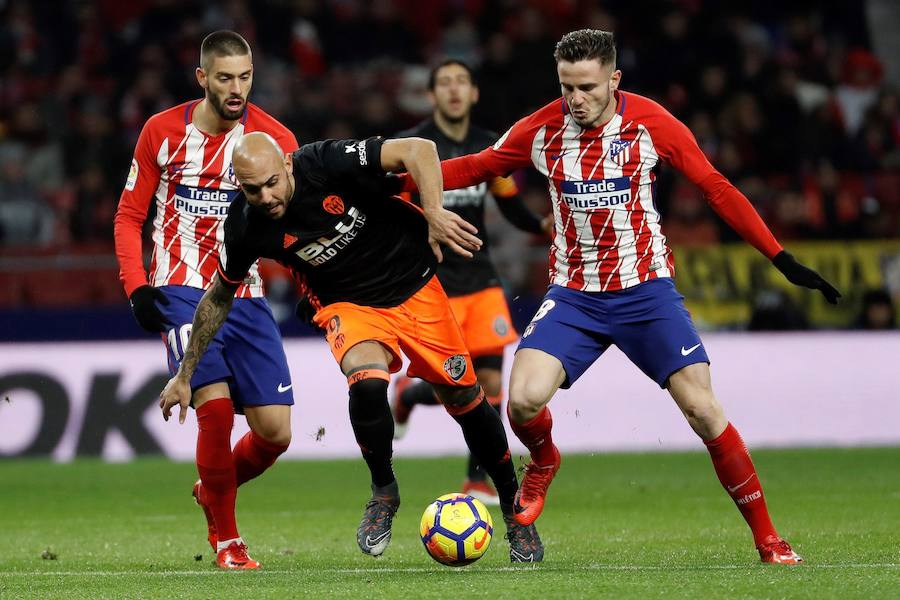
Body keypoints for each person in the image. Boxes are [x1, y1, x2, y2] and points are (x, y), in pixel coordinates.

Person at [408, 29, 842, 564]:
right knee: (521, 400)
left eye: (587, 87)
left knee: (704, 411)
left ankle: (768, 539)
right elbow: (475, 167)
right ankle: (544, 462)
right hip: (574, 298)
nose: (576, 100)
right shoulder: (540, 129)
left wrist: (779, 257)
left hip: (646, 294)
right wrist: (387, 180)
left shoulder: (651, 123)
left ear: (614, 80)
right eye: (567, 87)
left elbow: (716, 187)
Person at [159, 131, 545, 563]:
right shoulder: (246, 226)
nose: (265, 196)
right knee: (365, 381)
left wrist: (434, 212)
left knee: (466, 400)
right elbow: (218, 296)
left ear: (287, 165)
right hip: (347, 304)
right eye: (252, 189)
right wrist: (184, 373)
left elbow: (421, 150)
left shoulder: (324, 162)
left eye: (271, 182)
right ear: (239, 186)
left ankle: (515, 515)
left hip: (413, 283)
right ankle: (384, 491)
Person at [114, 31, 298, 570]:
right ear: (203, 78)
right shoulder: (162, 131)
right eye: (225, 77)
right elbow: (129, 216)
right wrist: (137, 287)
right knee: (213, 409)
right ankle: (228, 542)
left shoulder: (275, 139)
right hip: (179, 285)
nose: (236, 88)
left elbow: (295, 224)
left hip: (246, 292)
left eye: (245, 77)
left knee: (275, 433)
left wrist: (312, 286)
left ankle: (212, 489)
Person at [390, 59, 552, 505]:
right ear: (431, 95)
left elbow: (511, 205)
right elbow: (396, 206)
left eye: (462, 82)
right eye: (445, 83)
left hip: (481, 279)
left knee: (490, 383)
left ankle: (476, 480)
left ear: (475, 93)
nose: (454, 90)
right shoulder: (416, 147)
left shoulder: (487, 146)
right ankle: (407, 393)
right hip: (432, 282)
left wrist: (542, 225)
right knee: (455, 384)